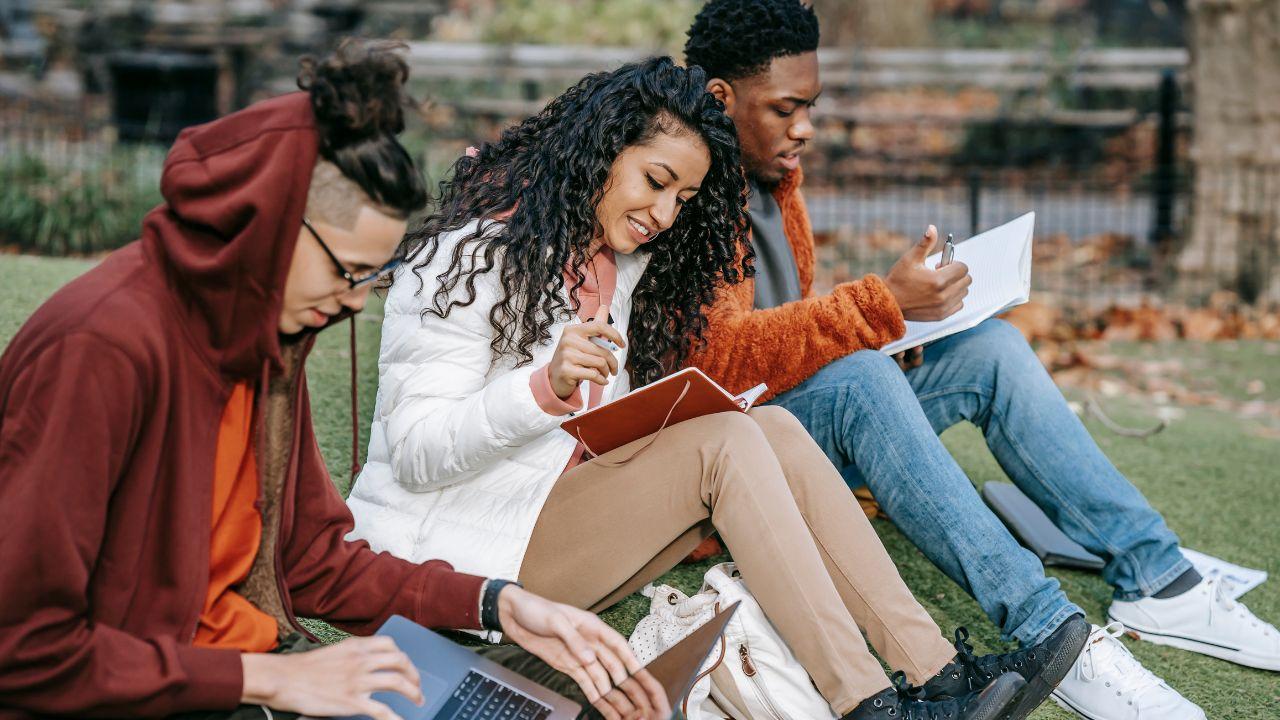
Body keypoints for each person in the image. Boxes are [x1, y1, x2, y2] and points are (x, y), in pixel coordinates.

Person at [346, 56, 1048, 720]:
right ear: (598, 152)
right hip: (452, 567)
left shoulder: (609, 266)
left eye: (683, 197)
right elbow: (414, 452)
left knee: (769, 427)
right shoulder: (467, 256)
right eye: (655, 181)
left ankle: (935, 673)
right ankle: (869, 703)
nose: (665, 212)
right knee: (724, 443)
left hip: (533, 519)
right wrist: (542, 388)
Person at [0, 42, 669, 720]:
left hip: (252, 674)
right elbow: (24, 646)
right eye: (346, 272)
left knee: (565, 694)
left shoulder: (263, 344)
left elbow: (314, 560)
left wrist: (498, 604)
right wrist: (261, 684)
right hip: (157, 695)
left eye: (369, 279)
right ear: (264, 226)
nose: (355, 302)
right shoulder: (101, 347)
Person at [680, 1, 1280, 719]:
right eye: (785, 108)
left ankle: (1159, 578)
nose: (805, 126)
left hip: (801, 424)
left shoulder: (777, 182)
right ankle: (1050, 632)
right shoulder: (681, 191)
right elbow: (713, 362)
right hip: (734, 473)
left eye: (811, 105)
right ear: (720, 97)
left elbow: (786, 336)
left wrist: (890, 333)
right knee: (863, 378)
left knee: (988, 347)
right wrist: (875, 310)